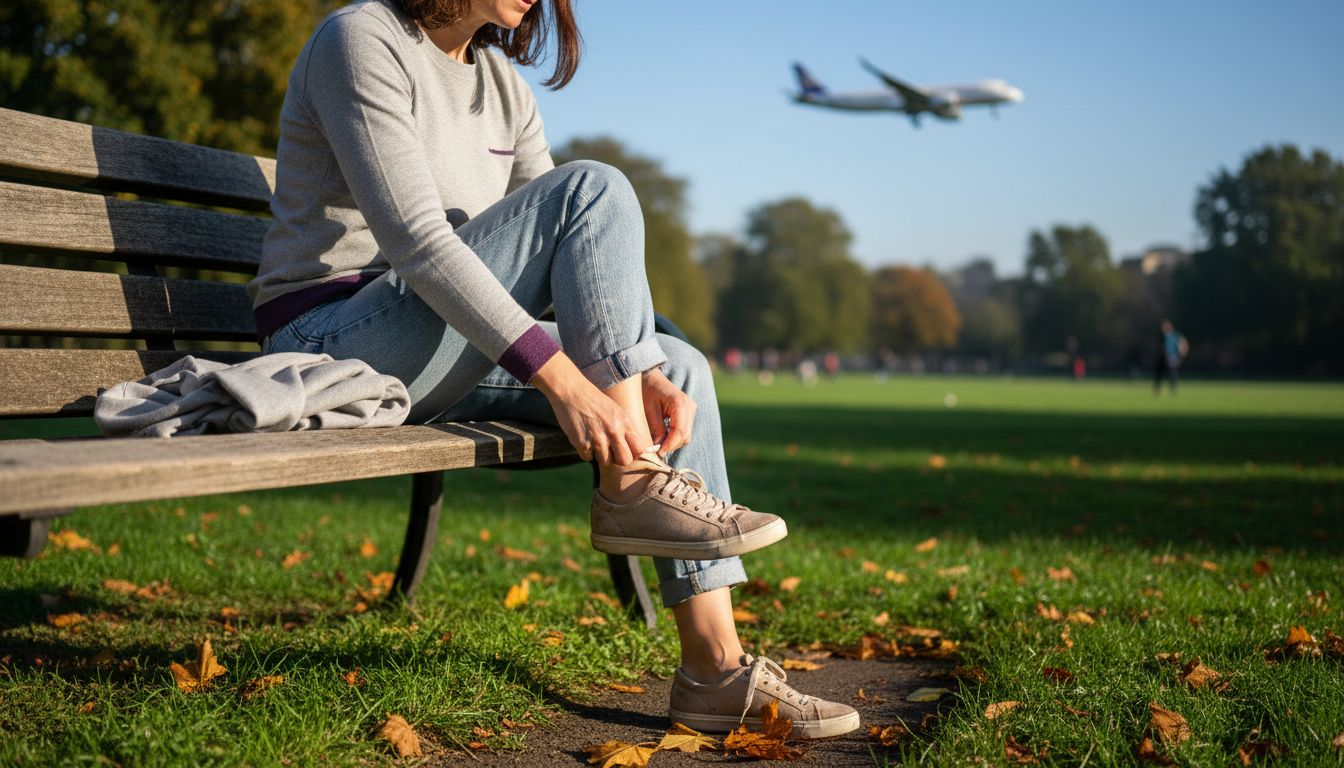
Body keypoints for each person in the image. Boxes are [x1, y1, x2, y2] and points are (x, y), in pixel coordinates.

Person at [248, 0, 859, 739]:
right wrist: (565, 381)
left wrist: (648, 359)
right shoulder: (361, 39)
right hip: (333, 344)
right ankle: (632, 485)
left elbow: (579, 264)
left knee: (687, 369)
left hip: (438, 352)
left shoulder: (503, 84)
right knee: (591, 186)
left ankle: (714, 673)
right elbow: (418, 243)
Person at [1153, 320, 1188, 395]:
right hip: (1162, 358)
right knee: (1159, 374)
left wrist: (1180, 355)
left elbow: (1183, 344)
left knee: (1172, 374)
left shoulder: (1175, 336)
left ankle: (1174, 388)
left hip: (1171, 358)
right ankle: (1157, 389)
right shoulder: (1162, 336)